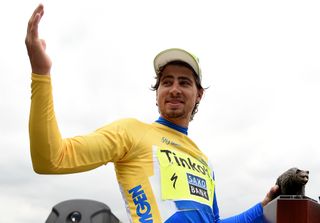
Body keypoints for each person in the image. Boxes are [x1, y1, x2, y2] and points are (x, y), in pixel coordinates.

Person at [25, 4, 279, 223]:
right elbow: (51, 159)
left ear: (199, 94)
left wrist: (263, 208)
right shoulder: (130, 133)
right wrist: (40, 73)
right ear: (157, 92)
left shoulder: (204, 162)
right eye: (166, 82)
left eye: (184, 82)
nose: (175, 89)